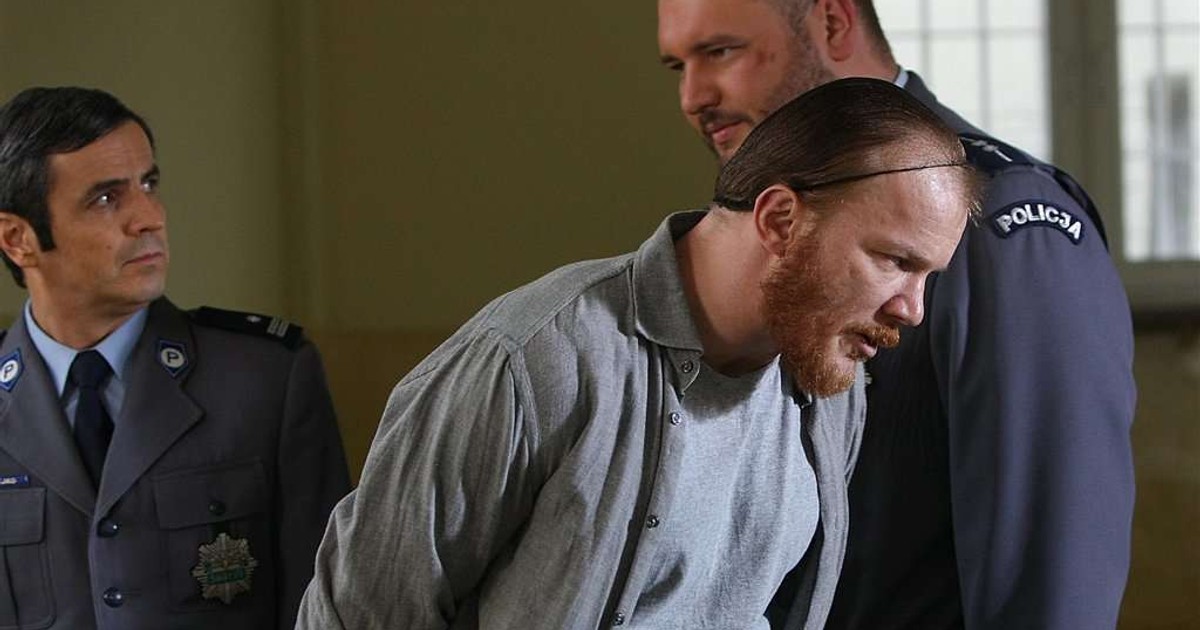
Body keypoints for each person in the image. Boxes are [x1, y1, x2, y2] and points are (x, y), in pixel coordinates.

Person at [296, 77, 978, 630]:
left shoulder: (829, 382)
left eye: (928, 277)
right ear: (779, 220)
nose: (912, 310)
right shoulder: (533, 358)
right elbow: (359, 617)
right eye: (895, 261)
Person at [656, 1, 1137, 628]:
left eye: (721, 51)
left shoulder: (999, 212)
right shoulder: (774, 213)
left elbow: (1050, 566)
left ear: (833, 23)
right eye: (678, 66)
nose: (693, 96)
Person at [0, 87, 350, 630]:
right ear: (17, 238)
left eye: (149, 184)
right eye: (105, 199)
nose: (149, 217)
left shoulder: (266, 379)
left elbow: (328, 607)